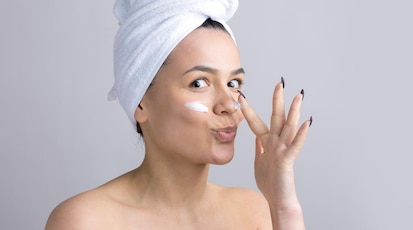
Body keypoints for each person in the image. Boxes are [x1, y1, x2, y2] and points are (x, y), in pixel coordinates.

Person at [45, 0, 311, 229]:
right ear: (140, 103)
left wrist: (284, 208)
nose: (229, 105)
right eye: (199, 83)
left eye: (234, 84)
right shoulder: (86, 222)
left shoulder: (257, 213)